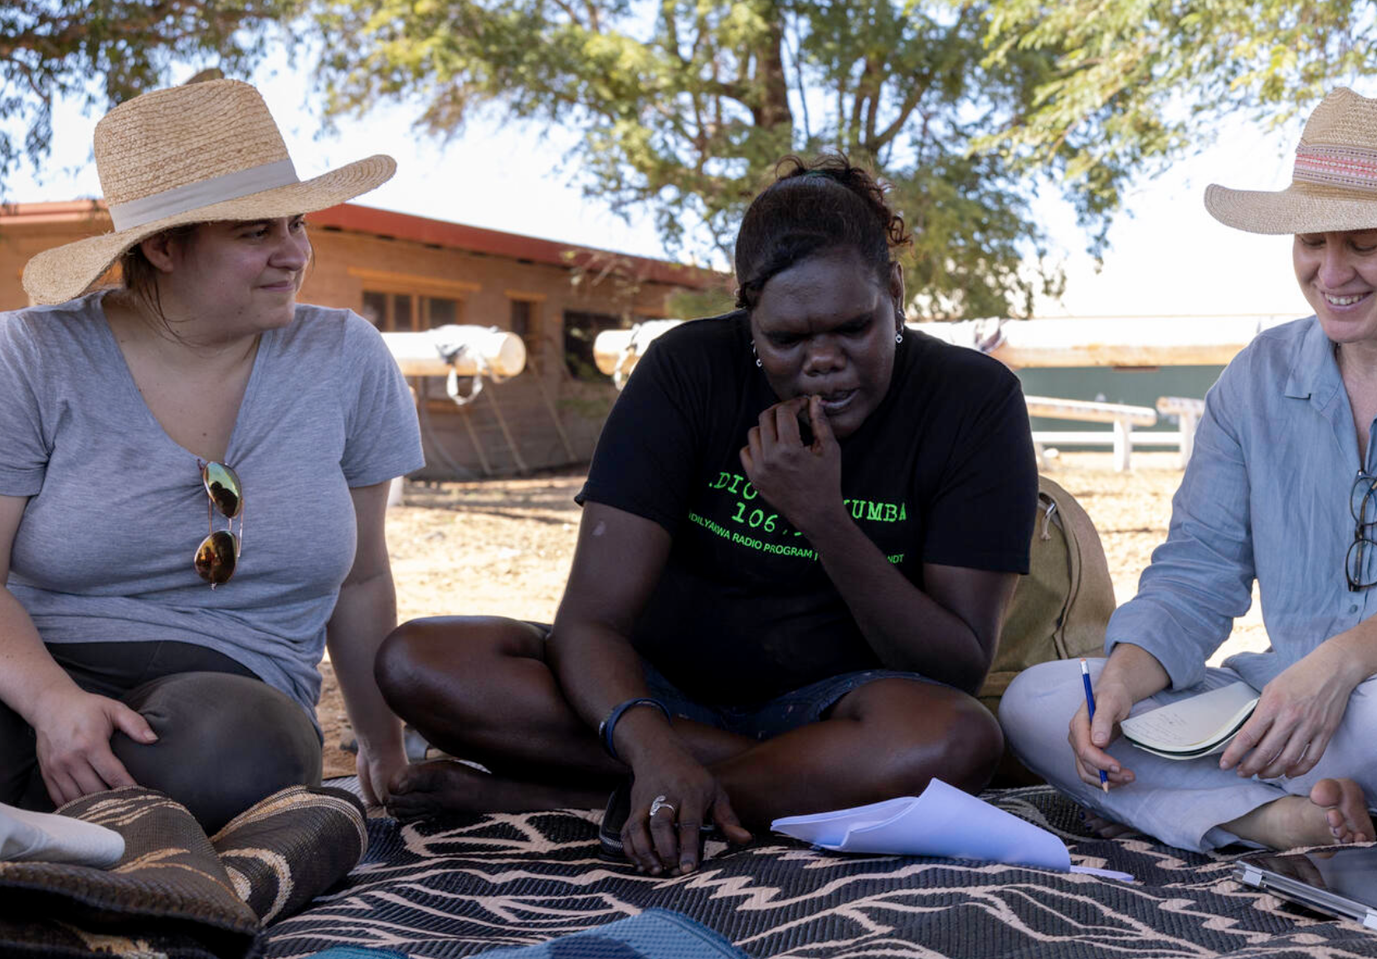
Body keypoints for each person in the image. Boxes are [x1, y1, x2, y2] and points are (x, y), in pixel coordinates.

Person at [376, 156, 1033, 877]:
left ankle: (573, 793)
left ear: (896, 292)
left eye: (854, 327)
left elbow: (955, 665)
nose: (823, 360)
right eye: (787, 339)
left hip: (838, 711)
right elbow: (591, 622)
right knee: (421, 660)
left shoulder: (972, 401)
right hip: (658, 689)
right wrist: (649, 742)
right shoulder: (687, 370)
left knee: (954, 739)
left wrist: (823, 517)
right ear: (749, 319)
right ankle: (719, 781)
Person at [996, 89, 1377, 853]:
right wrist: (1126, 677)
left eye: (1362, 244)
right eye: (1311, 241)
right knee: (1037, 699)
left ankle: (1206, 804)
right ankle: (1273, 819)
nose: (1331, 271)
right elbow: (1197, 572)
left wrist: (1336, 668)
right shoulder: (1255, 376)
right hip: (1279, 693)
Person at [0, 78, 420, 831]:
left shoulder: (344, 356)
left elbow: (362, 578)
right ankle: (102, 840)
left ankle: (46, 834)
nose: (295, 254)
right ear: (163, 247)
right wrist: (54, 704)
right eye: (256, 233)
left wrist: (383, 746)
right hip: (33, 673)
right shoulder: (32, 353)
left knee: (238, 757)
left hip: (230, 692)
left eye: (297, 223)